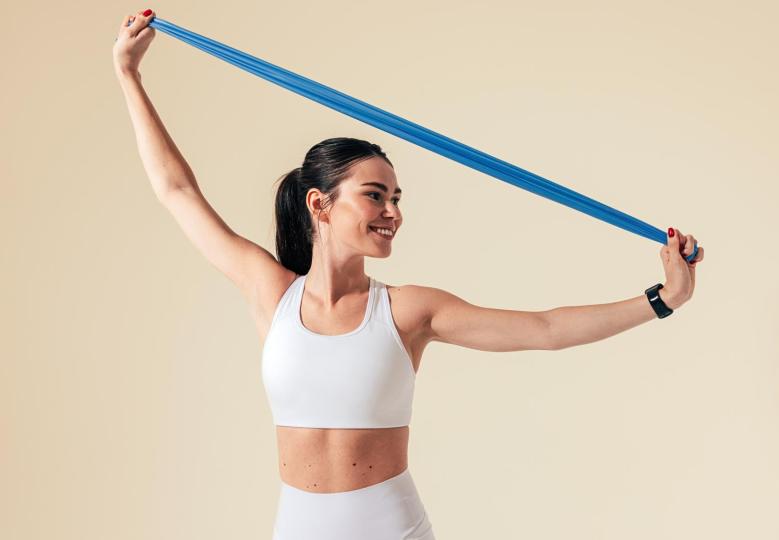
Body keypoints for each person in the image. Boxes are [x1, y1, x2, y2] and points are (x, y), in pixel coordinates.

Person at [113, 9, 705, 540]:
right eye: (376, 196)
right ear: (320, 205)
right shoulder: (271, 292)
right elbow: (176, 189)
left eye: (397, 197)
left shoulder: (405, 310)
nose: (394, 212)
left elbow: (544, 328)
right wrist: (130, 77)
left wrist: (662, 300)